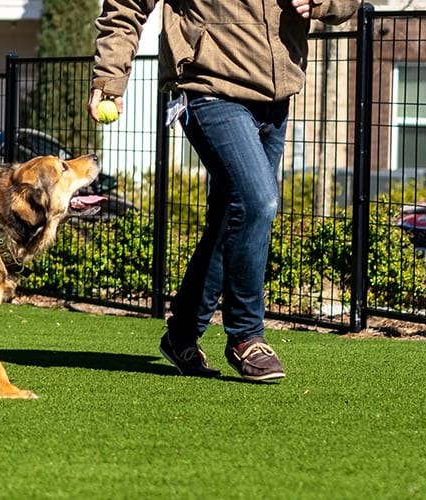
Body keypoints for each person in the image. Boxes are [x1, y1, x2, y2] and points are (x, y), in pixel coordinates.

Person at [89, 0, 359, 381]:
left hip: (275, 95)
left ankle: (182, 332)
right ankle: (246, 335)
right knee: (258, 201)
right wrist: (109, 79)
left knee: (230, 217)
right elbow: (126, 6)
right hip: (207, 85)